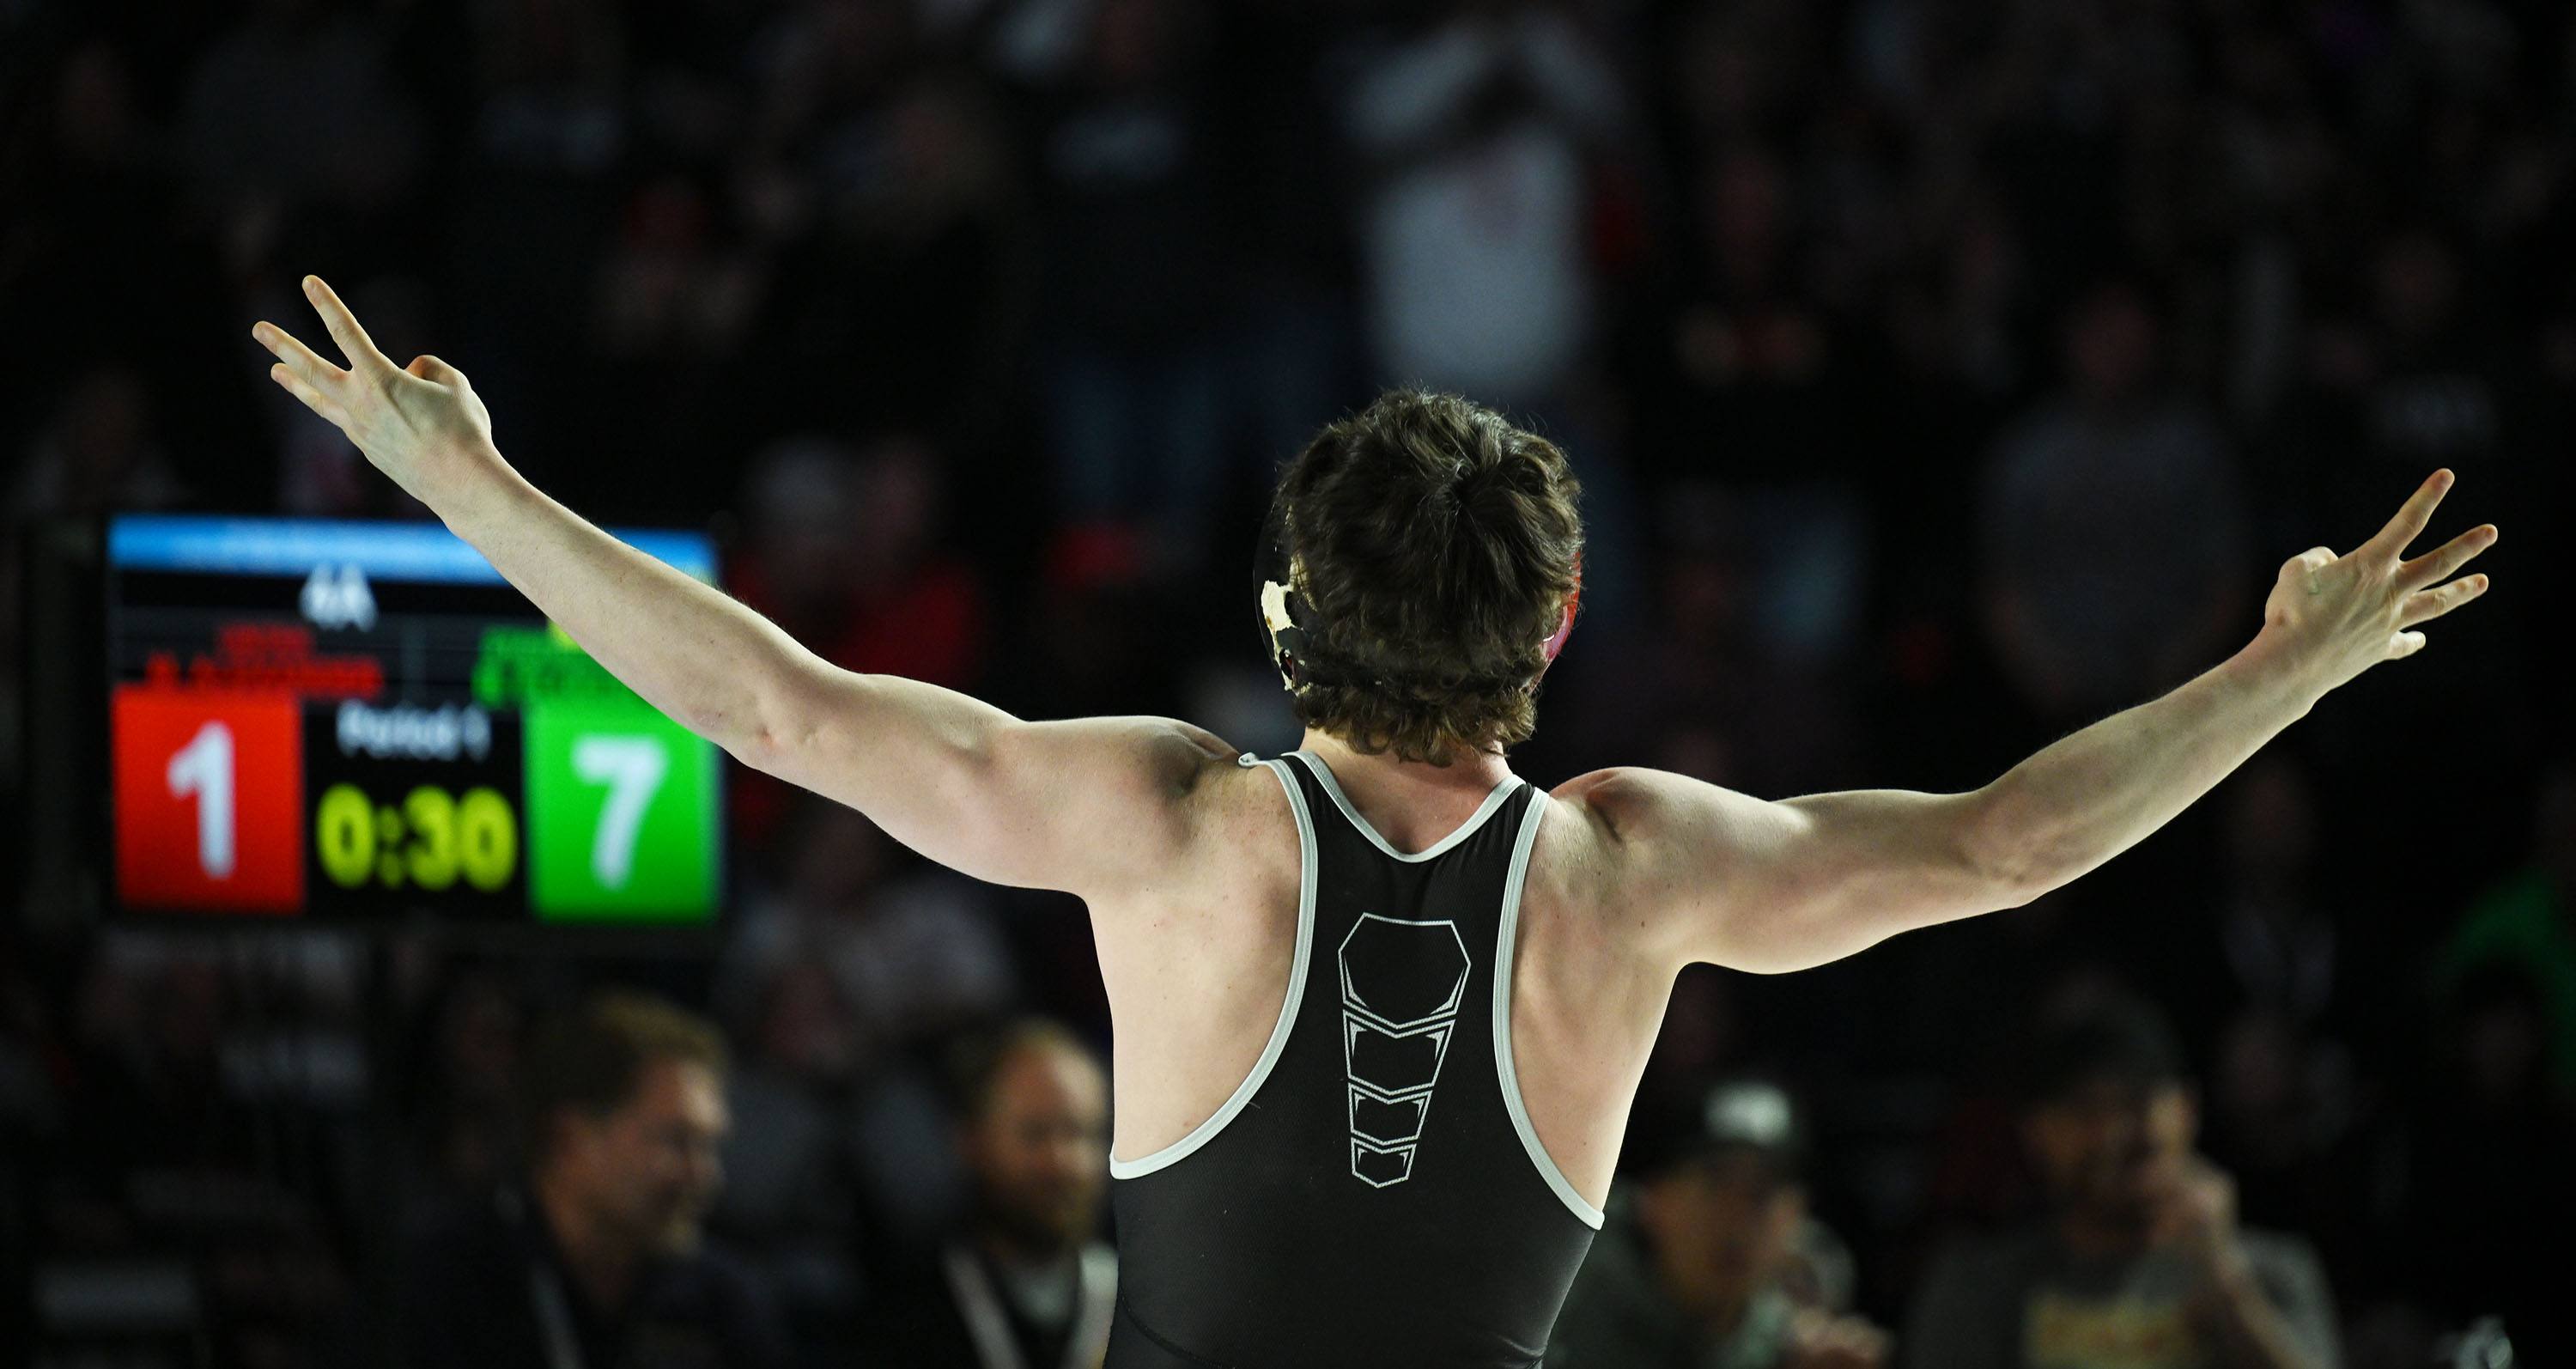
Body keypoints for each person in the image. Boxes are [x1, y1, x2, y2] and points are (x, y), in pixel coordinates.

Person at [259, 275, 2490, 1365]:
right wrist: (2284, 666)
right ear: (1564, 624)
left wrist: (467, 483)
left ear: (1285, 611)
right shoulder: (1627, 869)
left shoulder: (1178, 820)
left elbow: (778, 711)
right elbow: (2011, 840)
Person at [1901, 997, 2339, 1369]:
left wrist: (2224, 1283)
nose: (2114, 1134)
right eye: (2086, 1109)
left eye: (2136, 1103)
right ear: (2035, 1132)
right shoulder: (1979, 1284)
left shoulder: (2271, 1273)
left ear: (2187, 1110)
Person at [402, 990, 788, 1369]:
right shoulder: (442, 1286)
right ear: (570, 1140)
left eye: (708, 1146)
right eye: (675, 1142)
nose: (704, 1175)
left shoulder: (718, 1304)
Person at [1546, 1079, 1886, 1368]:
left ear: (1797, 1217)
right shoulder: (1554, 1304)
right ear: (1655, 1199)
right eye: (1715, 1183)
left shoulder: (1796, 1335)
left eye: (1762, 1194)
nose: (1737, 1221)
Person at [869, 1019, 1119, 1369]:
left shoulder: (1142, 1305)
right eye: (1035, 1134)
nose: (1061, 1162)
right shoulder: (906, 1309)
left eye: (1079, 1133)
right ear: (971, 1143)